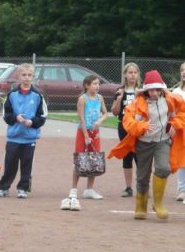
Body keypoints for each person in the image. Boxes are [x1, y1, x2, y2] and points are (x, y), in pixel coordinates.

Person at [109, 70, 185, 220]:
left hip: (162, 141)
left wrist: (174, 124)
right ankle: (141, 205)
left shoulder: (171, 99)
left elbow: (182, 112)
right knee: (143, 176)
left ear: (162, 89)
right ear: (146, 90)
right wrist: (141, 126)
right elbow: (127, 121)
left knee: (164, 168)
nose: (154, 93)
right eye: (151, 90)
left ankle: (158, 203)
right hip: (144, 143)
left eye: (157, 90)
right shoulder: (137, 103)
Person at [0, 63, 47, 198]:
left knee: (26, 165)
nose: (26, 78)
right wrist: (16, 118)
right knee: (10, 164)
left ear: (33, 77)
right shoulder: (12, 95)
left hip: (29, 138)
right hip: (14, 137)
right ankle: (3, 187)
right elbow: (6, 114)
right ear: (18, 76)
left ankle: (23, 188)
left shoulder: (38, 96)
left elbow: (43, 116)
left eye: (29, 75)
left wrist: (32, 122)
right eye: (24, 75)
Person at [60, 75, 108, 211]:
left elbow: (105, 113)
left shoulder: (100, 98)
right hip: (83, 132)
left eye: (98, 84)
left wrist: (99, 121)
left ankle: (89, 189)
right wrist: (86, 136)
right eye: (94, 84)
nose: (97, 86)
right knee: (79, 158)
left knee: (94, 159)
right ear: (87, 85)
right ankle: (73, 189)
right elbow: (81, 118)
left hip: (95, 132)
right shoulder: (83, 99)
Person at [111, 63, 141, 197]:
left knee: (140, 157)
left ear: (138, 75)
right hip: (124, 127)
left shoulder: (142, 91)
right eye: (130, 72)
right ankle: (128, 188)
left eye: (135, 72)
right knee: (127, 156)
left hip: (138, 127)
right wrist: (118, 99)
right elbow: (115, 112)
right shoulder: (120, 91)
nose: (133, 75)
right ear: (125, 75)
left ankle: (142, 186)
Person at [173, 62, 185, 202]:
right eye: (182, 70)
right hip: (181, 131)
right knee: (182, 160)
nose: (184, 72)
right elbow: (172, 112)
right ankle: (182, 189)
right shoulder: (176, 92)